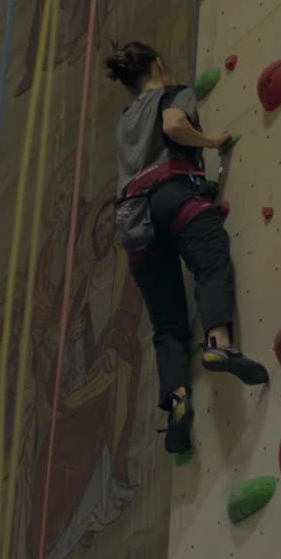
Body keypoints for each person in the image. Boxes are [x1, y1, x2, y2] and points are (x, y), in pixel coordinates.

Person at [105, 41, 269, 454]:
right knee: (212, 261)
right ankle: (219, 344)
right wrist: (211, 141)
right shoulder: (173, 93)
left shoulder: (123, 122)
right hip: (172, 195)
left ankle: (177, 399)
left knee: (167, 323)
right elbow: (174, 126)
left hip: (133, 221)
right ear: (159, 63)